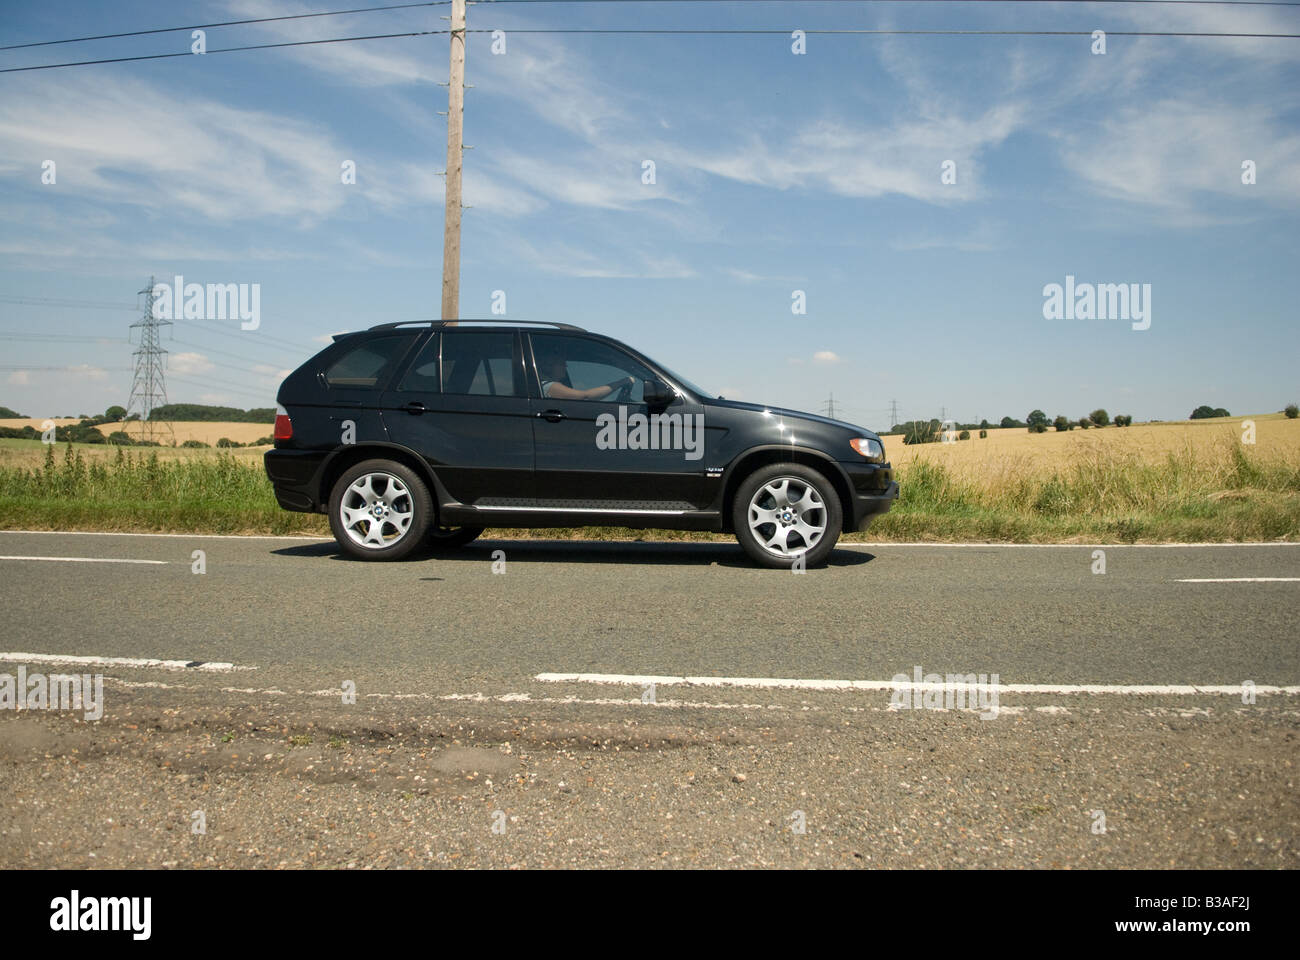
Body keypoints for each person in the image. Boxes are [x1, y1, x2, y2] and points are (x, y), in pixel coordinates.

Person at [536, 349, 635, 400]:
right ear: (548, 366)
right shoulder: (549, 386)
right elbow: (585, 397)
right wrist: (621, 382)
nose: (565, 367)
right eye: (561, 364)